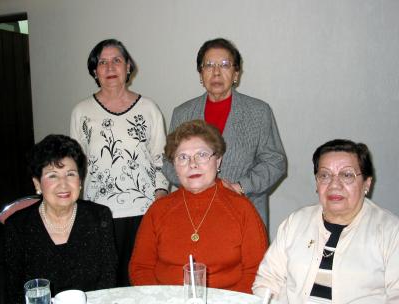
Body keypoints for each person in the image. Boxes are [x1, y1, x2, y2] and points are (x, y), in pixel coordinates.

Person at [70, 39, 169, 286]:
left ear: (128, 67)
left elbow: (161, 158)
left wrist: (160, 196)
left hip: (144, 211)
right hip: (98, 212)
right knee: (106, 281)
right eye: (102, 62)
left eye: (117, 60)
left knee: (141, 280)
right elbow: (74, 166)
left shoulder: (148, 109)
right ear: (95, 71)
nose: (110, 67)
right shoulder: (81, 111)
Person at [129, 120, 268, 294]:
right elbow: (141, 267)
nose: (192, 164)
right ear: (174, 166)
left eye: (202, 155)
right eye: (183, 157)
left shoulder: (242, 209)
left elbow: (257, 271)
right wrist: (159, 299)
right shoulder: (159, 210)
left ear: (218, 161)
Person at [252, 139, 399, 303]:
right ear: (317, 183)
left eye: (347, 175)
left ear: (367, 183)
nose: (334, 185)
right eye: (325, 175)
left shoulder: (391, 232)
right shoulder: (296, 222)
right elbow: (268, 281)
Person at [162, 37, 286, 226]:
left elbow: (275, 162)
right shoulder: (183, 113)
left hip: (244, 211)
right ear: (200, 74)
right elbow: (168, 162)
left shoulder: (259, 111)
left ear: (236, 73)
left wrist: (241, 187)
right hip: (194, 213)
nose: (216, 72)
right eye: (209, 65)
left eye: (225, 65)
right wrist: (196, 186)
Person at [3, 134, 117, 303]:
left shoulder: (99, 217)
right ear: (37, 183)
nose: (63, 184)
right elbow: (12, 293)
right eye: (52, 175)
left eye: (70, 174)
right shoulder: (17, 227)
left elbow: (108, 283)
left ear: (80, 181)